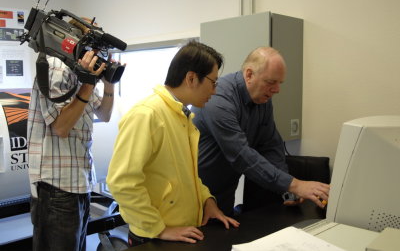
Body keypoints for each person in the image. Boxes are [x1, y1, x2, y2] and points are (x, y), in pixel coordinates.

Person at [106, 41, 239, 247]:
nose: (214, 91)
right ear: (191, 78)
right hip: (155, 237)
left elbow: (186, 175)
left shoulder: (181, 115)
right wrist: (159, 229)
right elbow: (121, 182)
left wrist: (207, 200)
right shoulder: (146, 114)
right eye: (213, 82)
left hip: (184, 231)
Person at [191, 47, 330, 216]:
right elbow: (240, 155)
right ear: (249, 75)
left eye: (280, 83)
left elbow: (270, 145)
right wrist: (295, 185)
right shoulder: (218, 99)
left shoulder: (262, 99)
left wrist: (286, 190)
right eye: (271, 82)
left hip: (225, 197)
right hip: (196, 197)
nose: (277, 89)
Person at [28, 17, 119, 251]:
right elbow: (60, 127)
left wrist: (109, 83)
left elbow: (105, 114)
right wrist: (88, 84)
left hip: (79, 184)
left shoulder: (81, 72)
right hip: (56, 187)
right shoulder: (55, 67)